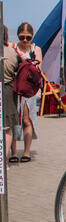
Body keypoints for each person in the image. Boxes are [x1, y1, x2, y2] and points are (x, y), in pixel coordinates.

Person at [9, 22, 43, 163]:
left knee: (26, 120)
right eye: (22, 37)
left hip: (29, 90)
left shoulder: (35, 49)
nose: (24, 40)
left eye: (28, 37)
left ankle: (27, 151)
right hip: (14, 88)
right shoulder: (12, 48)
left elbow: (38, 69)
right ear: (18, 35)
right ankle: (13, 152)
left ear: (32, 37)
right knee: (13, 121)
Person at [2, 26, 18, 164]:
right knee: (7, 127)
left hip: (5, 89)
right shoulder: (11, 52)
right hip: (9, 90)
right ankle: (4, 160)